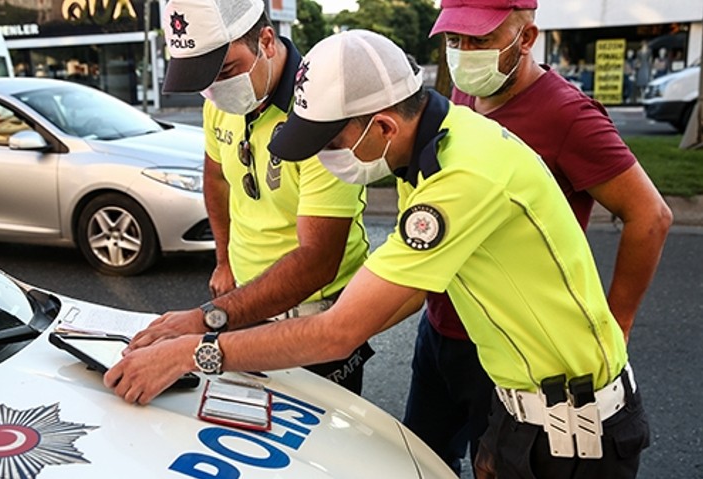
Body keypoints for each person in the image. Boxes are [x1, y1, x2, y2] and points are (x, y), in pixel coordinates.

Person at [105, 29, 650, 479]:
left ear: (384, 125)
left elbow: (339, 331)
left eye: (332, 144)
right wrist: (213, 319)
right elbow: (397, 296)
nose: (329, 159)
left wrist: (192, 352)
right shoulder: (438, 147)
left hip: (573, 435)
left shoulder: (459, 178)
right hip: (527, 410)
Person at [402, 0, 673, 474]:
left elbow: (650, 216)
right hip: (442, 328)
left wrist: (618, 322)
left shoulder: (566, 114)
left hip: (515, 352)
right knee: (420, 460)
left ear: (525, 39)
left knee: (494, 466)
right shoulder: (466, 95)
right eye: (454, 40)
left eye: (480, 40)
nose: (464, 54)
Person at [128, 0, 373, 393]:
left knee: (313, 444)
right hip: (240, 306)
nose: (215, 91)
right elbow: (217, 177)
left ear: (267, 41)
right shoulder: (218, 104)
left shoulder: (320, 110)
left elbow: (318, 260)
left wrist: (206, 319)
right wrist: (223, 260)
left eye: (225, 71)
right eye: (201, 81)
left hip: (312, 316)